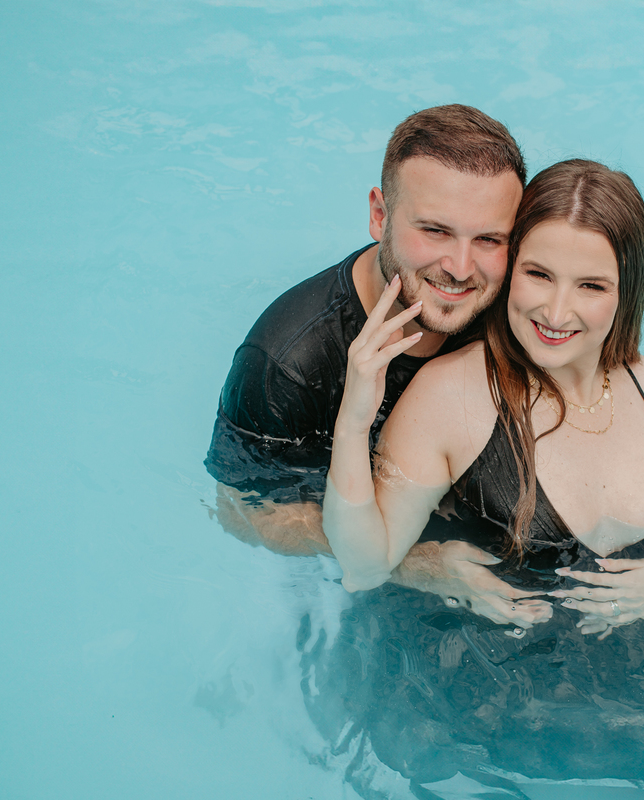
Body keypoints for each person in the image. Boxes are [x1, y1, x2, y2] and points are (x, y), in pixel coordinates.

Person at [310, 160, 644, 798]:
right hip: (503, 691)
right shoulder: (450, 401)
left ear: (627, 290)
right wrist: (354, 420)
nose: (557, 310)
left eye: (591, 286)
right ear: (510, 269)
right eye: (538, 274)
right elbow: (365, 564)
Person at [204, 104, 553, 626]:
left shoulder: (517, 305)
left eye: (488, 239)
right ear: (379, 215)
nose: (459, 269)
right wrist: (418, 565)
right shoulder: (285, 361)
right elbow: (243, 513)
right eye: (434, 230)